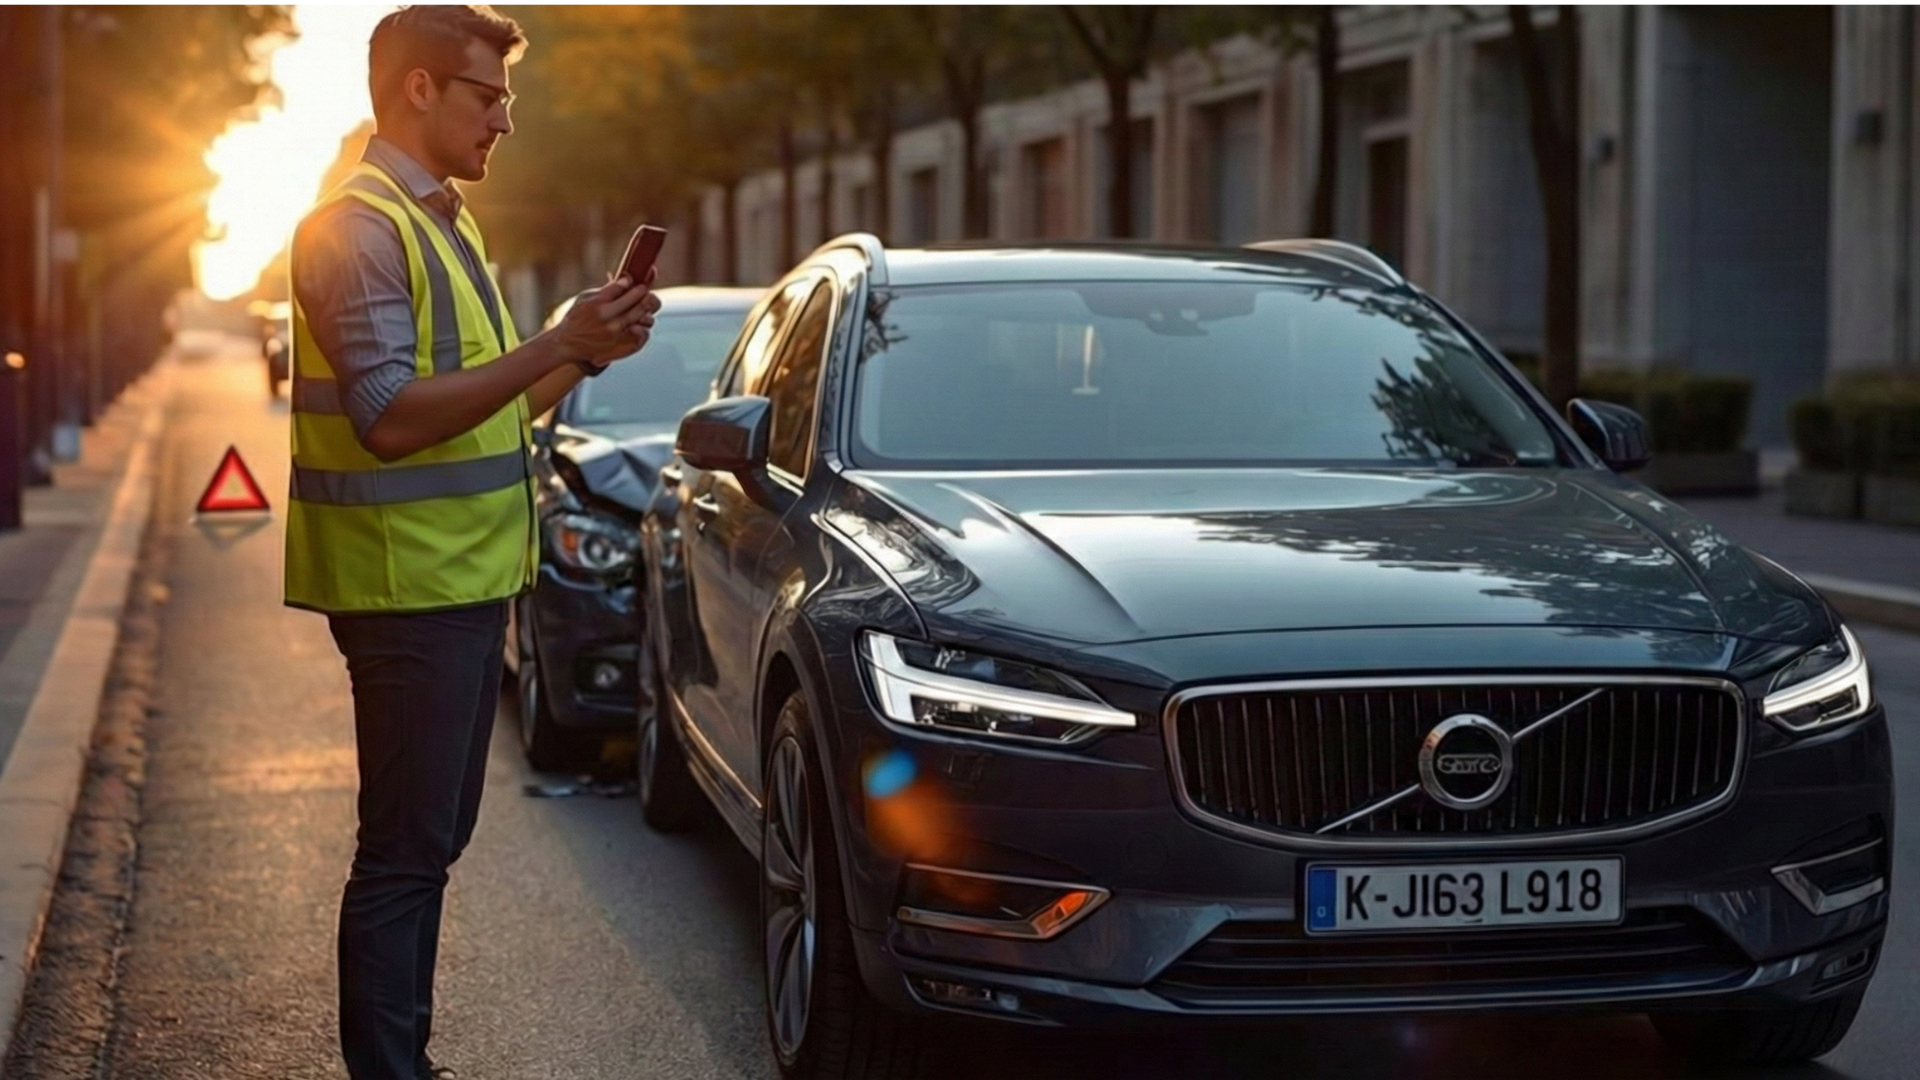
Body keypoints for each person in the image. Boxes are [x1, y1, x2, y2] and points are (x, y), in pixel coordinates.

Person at [283, 7, 657, 1078]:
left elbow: (499, 411)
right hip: (405, 590)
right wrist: (553, 337)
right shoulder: (355, 228)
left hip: (461, 583)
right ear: (417, 91)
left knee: (428, 849)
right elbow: (392, 415)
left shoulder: (444, 222)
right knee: (404, 855)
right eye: (487, 97)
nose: (505, 119)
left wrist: (585, 354)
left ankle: (409, 1062)